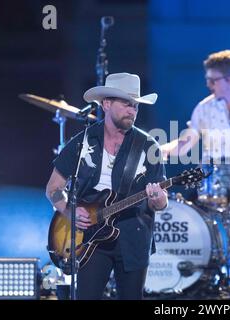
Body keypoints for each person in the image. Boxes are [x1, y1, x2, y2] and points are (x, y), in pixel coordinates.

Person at [45, 72, 168, 300]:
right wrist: (68, 210)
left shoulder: (148, 146)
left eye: (135, 106)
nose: (132, 110)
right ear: (107, 103)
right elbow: (53, 188)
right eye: (126, 104)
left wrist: (157, 198)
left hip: (133, 238)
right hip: (90, 238)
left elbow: (161, 203)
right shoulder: (82, 141)